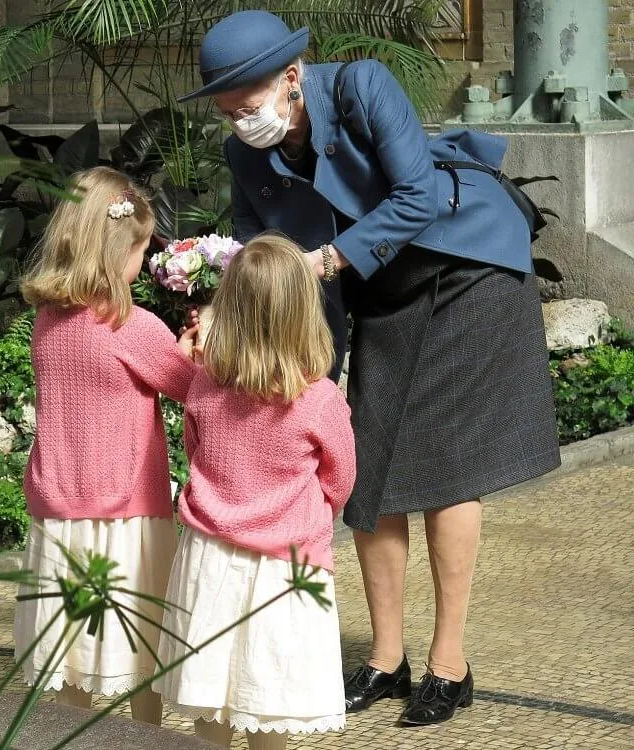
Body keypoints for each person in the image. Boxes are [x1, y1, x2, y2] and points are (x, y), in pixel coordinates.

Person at [177, 10, 561, 726]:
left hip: (465, 266)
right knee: (368, 464)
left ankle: (450, 665)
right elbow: (255, 258)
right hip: (374, 286)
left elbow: (415, 194)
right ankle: (388, 659)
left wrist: (323, 263)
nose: (240, 122)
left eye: (249, 105)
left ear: (292, 78)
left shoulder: (362, 87)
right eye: (227, 112)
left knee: (446, 465)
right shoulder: (247, 155)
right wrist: (246, 334)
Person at [154, 235, 357, 750]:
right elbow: (340, 477)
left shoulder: (205, 382)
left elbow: (195, 446)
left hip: (208, 556)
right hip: (286, 564)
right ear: (304, 312)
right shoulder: (320, 399)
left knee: (209, 691)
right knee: (272, 698)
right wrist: (309, 512)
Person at [14, 166, 199, 724]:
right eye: (140, 250)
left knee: (70, 657)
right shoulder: (133, 325)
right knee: (142, 651)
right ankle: (144, 738)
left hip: (59, 513)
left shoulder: (48, 318)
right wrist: (193, 346)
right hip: (125, 514)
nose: (142, 263)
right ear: (117, 250)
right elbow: (191, 389)